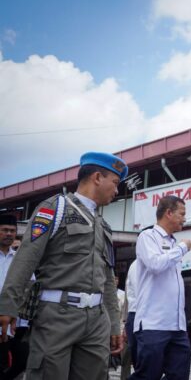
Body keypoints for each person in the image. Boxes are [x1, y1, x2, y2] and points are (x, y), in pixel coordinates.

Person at [0, 152, 127, 379]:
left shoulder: (104, 226)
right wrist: (7, 305)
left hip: (97, 320)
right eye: (115, 183)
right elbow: (26, 258)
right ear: (97, 177)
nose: (117, 191)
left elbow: (107, 278)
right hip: (56, 317)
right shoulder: (54, 208)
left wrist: (114, 325)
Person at [129, 195, 191, 380]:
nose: (184, 218)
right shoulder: (147, 236)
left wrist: (177, 247)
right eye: (182, 214)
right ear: (169, 213)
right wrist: (182, 248)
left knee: (179, 375)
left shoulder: (173, 243)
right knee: (148, 375)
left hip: (177, 325)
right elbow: (155, 264)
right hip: (153, 323)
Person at [0, 214, 29, 380]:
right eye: (4, 230)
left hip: (17, 322)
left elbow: (29, 287)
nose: (9, 234)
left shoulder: (21, 259)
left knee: (23, 360)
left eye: (12, 231)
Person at [120, 259, 139, 380]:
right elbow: (128, 303)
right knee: (133, 361)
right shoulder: (135, 267)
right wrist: (125, 324)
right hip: (133, 318)